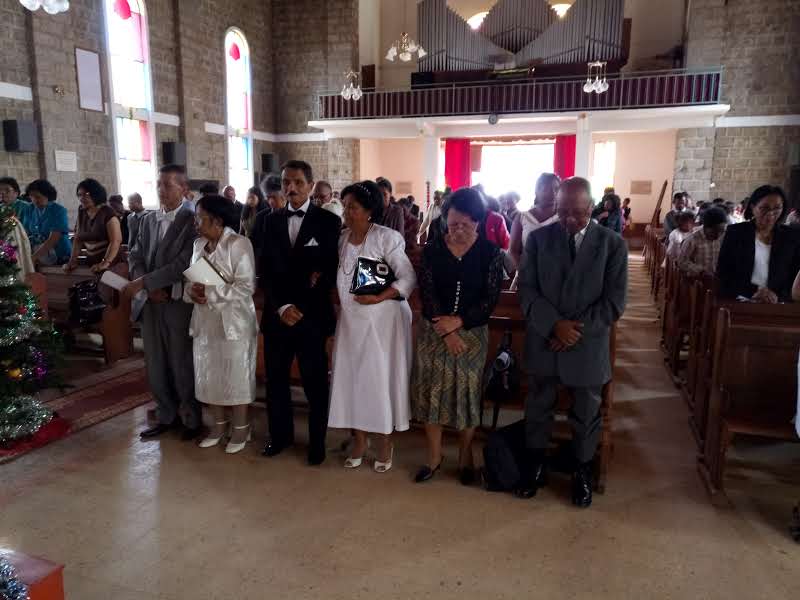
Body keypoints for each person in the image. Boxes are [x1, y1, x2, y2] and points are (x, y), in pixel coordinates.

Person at [517, 176, 627, 508]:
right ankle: (535, 464)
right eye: (563, 211)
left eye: (578, 213)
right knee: (538, 406)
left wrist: (572, 331)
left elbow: (613, 303)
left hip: (587, 344)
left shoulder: (612, 244)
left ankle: (582, 471)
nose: (569, 219)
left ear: (591, 207)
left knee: (586, 412)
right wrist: (554, 326)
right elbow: (527, 290)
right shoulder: (539, 239)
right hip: (545, 339)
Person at [412, 187, 505, 485]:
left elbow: (490, 299)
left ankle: (466, 455)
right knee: (433, 393)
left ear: (478, 221)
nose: (458, 230)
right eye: (452, 224)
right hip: (434, 332)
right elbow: (428, 293)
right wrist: (446, 331)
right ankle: (434, 456)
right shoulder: (433, 250)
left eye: (465, 224)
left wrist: (459, 322)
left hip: (471, 335)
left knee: (467, 395)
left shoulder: (491, 254)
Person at [328, 181, 417, 472]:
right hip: (351, 321)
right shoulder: (342, 239)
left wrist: (380, 296)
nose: (346, 212)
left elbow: (407, 278)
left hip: (382, 322)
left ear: (369, 211)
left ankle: (384, 442)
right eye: (344, 206)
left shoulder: (386, 238)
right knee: (352, 379)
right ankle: (359, 440)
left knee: (378, 380)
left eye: (352, 207)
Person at [258, 160, 340, 465]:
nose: (290, 188)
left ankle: (317, 443)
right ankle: (280, 437)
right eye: (285, 182)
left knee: (315, 383)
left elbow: (330, 270)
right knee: (276, 381)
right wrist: (282, 306)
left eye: (297, 182)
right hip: (278, 315)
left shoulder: (328, 221)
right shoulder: (269, 221)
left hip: (312, 317)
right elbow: (265, 271)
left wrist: (301, 306)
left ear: (310, 185)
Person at [124, 164, 201, 440]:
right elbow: (135, 254)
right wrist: (145, 285)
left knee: (181, 362)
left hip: (176, 300)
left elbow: (184, 263)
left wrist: (147, 283)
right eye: (158, 184)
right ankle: (166, 414)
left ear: (184, 188)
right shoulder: (147, 219)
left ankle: (191, 418)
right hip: (151, 301)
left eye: (167, 185)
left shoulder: (193, 220)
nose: (161, 190)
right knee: (155, 362)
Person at [185, 195, 258, 454]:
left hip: (234, 322)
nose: (195, 223)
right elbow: (192, 280)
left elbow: (246, 286)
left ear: (217, 220)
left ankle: (241, 428)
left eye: (200, 218)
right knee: (209, 375)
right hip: (205, 321)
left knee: (236, 376)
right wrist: (192, 292)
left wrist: (211, 293)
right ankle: (217, 427)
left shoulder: (238, 244)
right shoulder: (198, 245)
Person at [717, 185, 800, 302]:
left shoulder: (791, 236)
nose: (771, 213)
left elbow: (794, 275)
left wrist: (777, 296)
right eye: (764, 208)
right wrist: (754, 293)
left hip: (778, 302)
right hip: (741, 300)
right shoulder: (736, 233)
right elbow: (724, 272)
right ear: (753, 207)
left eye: (777, 208)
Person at [63, 179, 123, 273]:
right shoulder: (82, 211)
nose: (82, 198)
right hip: (91, 264)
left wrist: (105, 263)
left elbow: (116, 240)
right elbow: (78, 239)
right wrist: (72, 260)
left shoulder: (107, 212)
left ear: (96, 194)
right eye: (79, 195)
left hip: (111, 265)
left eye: (86, 194)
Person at [509, 173, 560, 268]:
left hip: (557, 273)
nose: (553, 193)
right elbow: (513, 251)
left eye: (556, 189)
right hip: (527, 271)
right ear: (537, 190)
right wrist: (524, 271)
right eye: (546, 189)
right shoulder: (522, 217)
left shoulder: (563, 217)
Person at [18, 179, 72, 266]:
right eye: (31, 196)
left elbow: (53, 239)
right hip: (36, 252)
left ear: (47, 195)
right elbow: (25, 233)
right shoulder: (29, 209)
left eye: (38, 197)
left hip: (59, 254)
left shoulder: (58, 210)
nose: (34, 200)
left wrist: (34, 257)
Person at [677, 206, 727, 276]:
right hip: (697, 279)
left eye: (721, 231)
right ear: (706, 227)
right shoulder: (692, 240)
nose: (718, 235)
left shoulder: (723, 238)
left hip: (716, 277)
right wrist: (701, 271)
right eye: (715, 231)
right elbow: (681, 262)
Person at [250, 175, 282, 265]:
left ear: (284, 195)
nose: (271, 201)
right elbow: (255, 244)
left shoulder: (293, 215)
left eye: (274, 197)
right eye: (268, 198)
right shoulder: (261, 217)